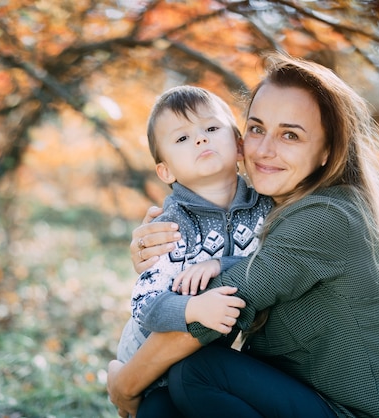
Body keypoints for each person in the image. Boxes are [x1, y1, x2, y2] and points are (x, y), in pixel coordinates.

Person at [109, 52, 379, 418]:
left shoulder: (326, 217)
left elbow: (221, 306)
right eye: (257, 128)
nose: (264, 150)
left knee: (197, 372)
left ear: (328, 150)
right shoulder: (268, 205)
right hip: (311, 400)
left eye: (290, 135)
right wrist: (161, 251)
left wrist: (124, 386)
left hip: (359, 414)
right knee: (162, 405)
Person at [116, 85, 274, 417]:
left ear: (239, 144)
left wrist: (222, 262)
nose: (201, 139)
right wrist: (193, 308)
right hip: (150, 355)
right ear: (166, 171)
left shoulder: (265, 207)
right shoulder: (171, 227)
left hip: (207, 359)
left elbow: (271, 259)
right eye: (182, 139)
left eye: (212, 128)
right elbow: (145, 304)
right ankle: (118, 373)